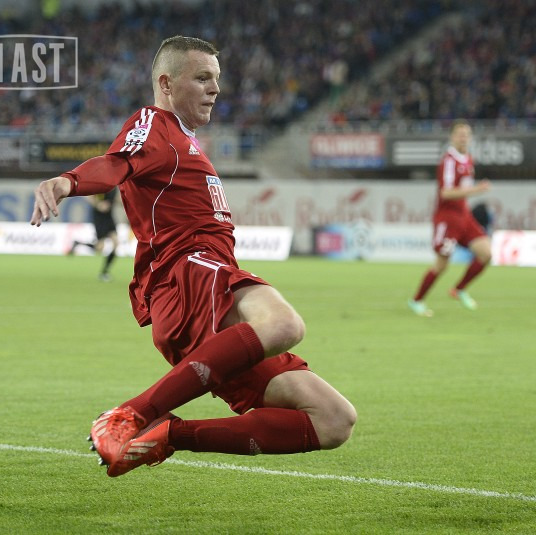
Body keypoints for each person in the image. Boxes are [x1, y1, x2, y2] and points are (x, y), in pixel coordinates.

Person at [30, 36, 356, 478]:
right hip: (186, 277)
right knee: (284, 324)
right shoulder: (153, 123)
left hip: (206, 293)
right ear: (166, 84)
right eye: (202, 78)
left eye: (216, 79)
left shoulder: (185, 141)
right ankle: (130, 414)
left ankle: (169, 434)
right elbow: (115, 163)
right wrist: (68, 181)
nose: (215, 89)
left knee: (333, 419)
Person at [408, 120, 492, 316]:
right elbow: (445, 193)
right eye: (460, 134)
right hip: (448, 218)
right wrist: (476, 190)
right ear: (452, 137)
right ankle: (416, 300)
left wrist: (470, 194)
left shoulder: (468, 159)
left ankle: (459, 289)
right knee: (442, 264)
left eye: (466, 135)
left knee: (486, 253)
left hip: (464, 215)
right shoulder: (449, 160)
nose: (463, 138)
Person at [68, 188, 120, 282]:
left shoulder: (115, 186)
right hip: (99, 217)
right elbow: (88, 195)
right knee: (99, 248)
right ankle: (78, 243)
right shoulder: (102, 184)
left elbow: (115, 198)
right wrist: (98, 204)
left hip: (109, 216)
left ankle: (104, 272)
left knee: (116, 243)